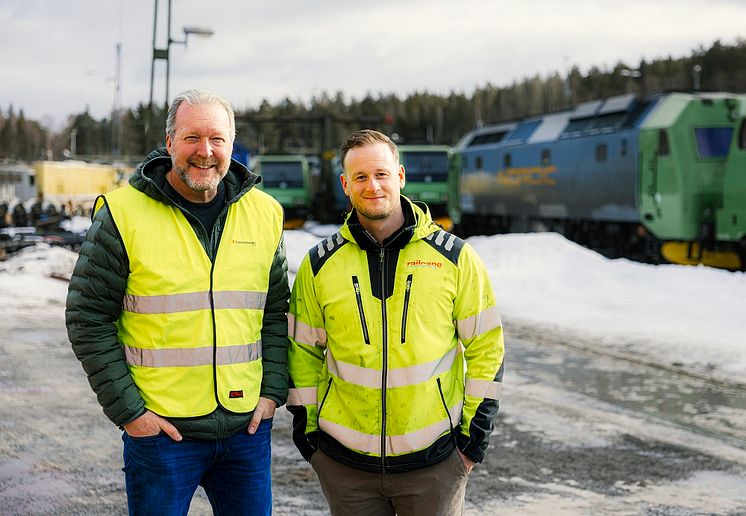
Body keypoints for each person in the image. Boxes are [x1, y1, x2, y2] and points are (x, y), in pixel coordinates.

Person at [66, 89, 289, 515]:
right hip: (162, 436)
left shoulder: (265, 213)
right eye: (191, 138)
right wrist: (131, 413)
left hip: (246, 429)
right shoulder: (122, 213)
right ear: (169, 143)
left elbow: (276, 313)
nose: (205, 152)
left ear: (231, 144)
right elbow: (87, 316)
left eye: (217, 139)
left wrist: (272, 392)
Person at [287, 129, 505, 515]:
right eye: (360, 177)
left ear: (400, 176)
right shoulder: (319, 265)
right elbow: (302, 352)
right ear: (345, 185)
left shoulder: (454, 259)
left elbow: (486, 348)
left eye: (381, 174)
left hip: (434, 465)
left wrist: (471, 443)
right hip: (345, 467)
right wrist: (310, 438)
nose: (372, 186)